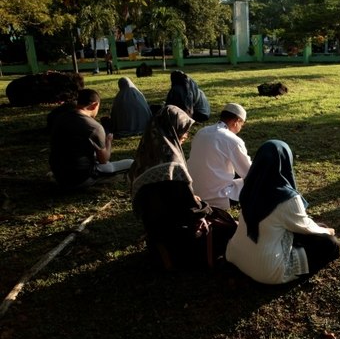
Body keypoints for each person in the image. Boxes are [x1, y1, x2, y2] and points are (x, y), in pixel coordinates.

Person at [129, 105, 234, 269]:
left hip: (153, 228)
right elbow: (188, 209)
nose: (186, 135)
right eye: (183, 130)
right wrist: (206, 208)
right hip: (175, 232)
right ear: (171, 129)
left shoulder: (144, 156)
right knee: (227, 225)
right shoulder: (172, 164)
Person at [226, 140, 340, 285]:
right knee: (329, 243)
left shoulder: (249, 188)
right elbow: (305, 227)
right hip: (266, 270)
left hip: (236, 255)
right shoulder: (286, 198)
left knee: (313, 228)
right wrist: (328, 231)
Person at [49, 88, 133, 189]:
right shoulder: (94, 127)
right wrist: (108, 141)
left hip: (59, 175)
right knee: (131, 163)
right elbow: (104, 159)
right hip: (80, 179)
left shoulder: (61, 118)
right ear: (95, 105)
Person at [187, 103, 251, 210]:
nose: (241, 128)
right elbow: (249, 173)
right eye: (242, 124)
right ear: (236, 122)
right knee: (258, 179)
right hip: (219, 198)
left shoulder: (201, 132)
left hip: (195, 193)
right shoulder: (233, 140)